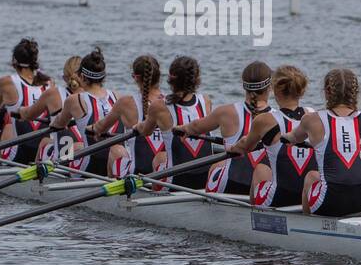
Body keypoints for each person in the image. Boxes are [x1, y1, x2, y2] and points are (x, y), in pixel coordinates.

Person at [282, 68, 361, 216]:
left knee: (311, 176)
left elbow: (293, 137)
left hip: (330, 202)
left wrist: (281, 137)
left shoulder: (312, 119)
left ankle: (308, 224)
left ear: (327, 92)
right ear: (355, 92)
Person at [174, 61, 273, 197]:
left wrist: (184, 128)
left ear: (244, 85)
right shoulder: (277, 118)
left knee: (217, 166)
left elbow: (196, 126)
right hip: (262, 187)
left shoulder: (226, 112)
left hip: (232, 183)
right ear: (270, 87)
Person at [229, 65, 316, 209]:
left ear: (274, 90)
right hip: (307, 195)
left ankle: (252, 216)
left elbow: (246, 146)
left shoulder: (264, 120)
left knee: (261, 170)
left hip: (279, 198)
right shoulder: (314, 115)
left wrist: (234, 148)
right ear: (301, 91)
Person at [137, 55, 217, 190]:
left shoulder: (159, 106)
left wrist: (138, 126)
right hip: (206, 179)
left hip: (176, 181)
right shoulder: (206, 101)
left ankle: (154, 194)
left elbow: (145, 131)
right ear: (196, 79)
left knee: (159, 158)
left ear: (170, 79)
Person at [45, 47, 120, 176]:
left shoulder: (74, 100)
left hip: (89, 166)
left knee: (45, 144)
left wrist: (53, 122)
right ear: (103, 77)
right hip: (113, 163)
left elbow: (59, 124)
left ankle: (39, 181)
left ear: (82, 76)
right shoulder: (118, 97)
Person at [93, 55, 166, 179]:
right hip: (163, 171)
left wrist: (92, 128)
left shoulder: (126, 102)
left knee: (116, 149)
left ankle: (112, 192)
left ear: (135, 77)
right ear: (159, 76)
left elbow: (102, 128)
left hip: (137, 172)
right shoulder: (170, 101)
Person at [0, 38, 52, 164]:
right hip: (43, 153)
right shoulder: (49, 83)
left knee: (8, 128)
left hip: (19, 153)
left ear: (14, 61)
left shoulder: (7, 82)